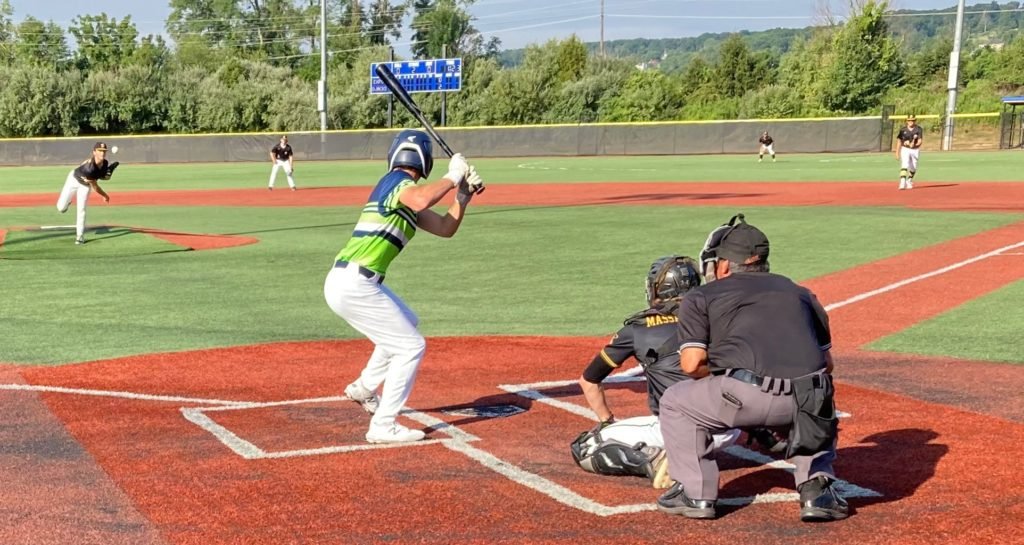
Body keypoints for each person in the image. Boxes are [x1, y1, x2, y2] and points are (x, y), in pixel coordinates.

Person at [656, 214, 847, 522]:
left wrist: (729, 379)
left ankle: (696, 493)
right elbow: (826, 364)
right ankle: (817, 490)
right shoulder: (801, 293)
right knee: (818, 395)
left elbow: (691, 365)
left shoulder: (701, 295)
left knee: (676, 401)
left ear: (724, 265)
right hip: (804, 400)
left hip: (742, 397)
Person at [324, 129, 484, 444]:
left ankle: (365, 387)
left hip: (353, 282)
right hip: (354, 283)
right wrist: (453, 174)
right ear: (423, 159)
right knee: (411, 347)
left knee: (407, 323)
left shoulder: (403, 195)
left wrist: (462, 194)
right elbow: (423, 197)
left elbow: (445, 227)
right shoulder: (397, 183)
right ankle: (383, 426)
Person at [570, 256, 780, 488]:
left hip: (680, 429)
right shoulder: (722, 317)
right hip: (731, 429)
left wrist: (606, 421)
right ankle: (767, 432)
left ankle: (652, 461)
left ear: (661, 289)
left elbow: (589, 380)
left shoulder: (638, 329)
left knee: (586, 446)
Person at [56, 142, 117, 245]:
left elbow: (100, 175)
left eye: (104, 151)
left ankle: (80, 236)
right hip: (73, 179)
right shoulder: (90, 169)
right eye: (100, 151)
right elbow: (95, 187)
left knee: (82, 209)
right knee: (61, 208)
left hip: (85, 186)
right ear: (94, 152)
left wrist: (107, 173)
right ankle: (68, 202)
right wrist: (105, 195)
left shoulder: (105, 163)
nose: (102, 153)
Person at [896, 114, 923, 190]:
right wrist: (897, 152)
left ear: (915, 121)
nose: (911, 122)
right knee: (905, 164)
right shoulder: (903, 130)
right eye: (909, 120)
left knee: (913, 167)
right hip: (905, 149)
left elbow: (920, 141)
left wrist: (914, 144)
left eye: (913, 120)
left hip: (915, 150)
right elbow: (899, 141)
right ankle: (902, 182)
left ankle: (909, 180)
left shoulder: (918, 129)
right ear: (907, 121)